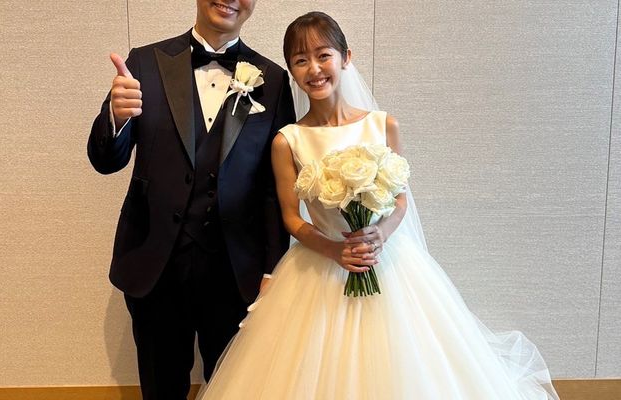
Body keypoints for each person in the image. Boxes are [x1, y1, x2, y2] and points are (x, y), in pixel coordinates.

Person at [197, 11, 560, 400]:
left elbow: (400, 200)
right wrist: (334, 249)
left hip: (388, 263)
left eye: (323, 55)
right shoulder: (288, 140)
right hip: (320, 265)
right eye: (301, 60)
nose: (314, 69)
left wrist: (379, 235)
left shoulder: (383, 125)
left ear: (346, 58)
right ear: (291, 71)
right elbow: (290, 217)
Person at [87, 1, 295, 399]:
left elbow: (274, 187)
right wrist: (116, 116)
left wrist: (273, 270)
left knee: (232, 390)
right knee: (161, 388)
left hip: (237, 273)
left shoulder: (272, 79)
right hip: (155, 266)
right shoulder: (144, 63)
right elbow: (105, 161)